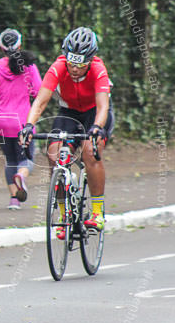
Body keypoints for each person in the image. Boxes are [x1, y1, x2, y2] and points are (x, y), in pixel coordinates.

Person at [19, 26, 113, 235]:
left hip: (93, 113)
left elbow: (103, 107)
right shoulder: (58, 67)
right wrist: (28, 126)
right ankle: (64, 214)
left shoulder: (99, 70)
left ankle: (97, 212)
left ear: (90, 60)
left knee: (90, 151)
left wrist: (97, 128)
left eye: (80, 64)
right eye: (71, 62)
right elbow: (40, 102)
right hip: (69, 112)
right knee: (54, 155)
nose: (74, 68)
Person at [0, 28, 42, 210]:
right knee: (27, 159)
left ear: (1, 47)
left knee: (10, 160)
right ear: (20, 45)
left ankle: (14, 199)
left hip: (1, 122)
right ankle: (22, 176)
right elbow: (38, 91)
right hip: (22, 123)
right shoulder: (29, 67)